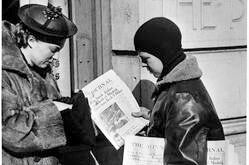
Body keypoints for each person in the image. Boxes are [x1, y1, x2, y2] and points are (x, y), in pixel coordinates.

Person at [2, 3, 95, 165]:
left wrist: (74, 109)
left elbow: (54, 112)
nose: (55, 58)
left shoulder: (42, 70)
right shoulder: (4, 71)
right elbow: (10, 132)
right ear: (31, 40)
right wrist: (54, 111)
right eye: (53, 50)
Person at [132, 17, 225, 165]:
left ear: (163, 52)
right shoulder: (177, 86)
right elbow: (177, 124)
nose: (145, 65)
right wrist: (152, 116)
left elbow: (184, 160)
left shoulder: (184, 98)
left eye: (146, 59)